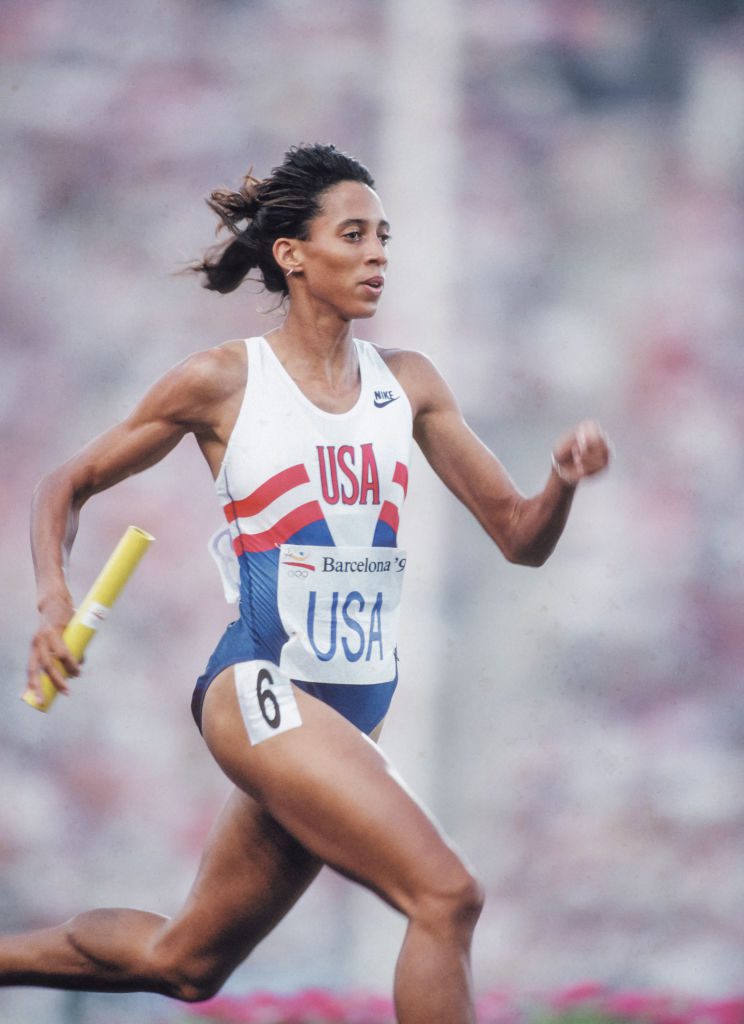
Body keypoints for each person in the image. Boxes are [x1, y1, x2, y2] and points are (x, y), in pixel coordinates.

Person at [6, 143, 610, 1024]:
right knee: (447, 896)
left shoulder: (408, 384)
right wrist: (55, 600)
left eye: (385, 238)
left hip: (345, 714)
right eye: (355, 235)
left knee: (187, 962)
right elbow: (64, 483)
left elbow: (520, 540)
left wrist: (559, 480)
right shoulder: (223, 380)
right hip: (258, 689)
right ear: (292, 254)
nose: (379, 256)